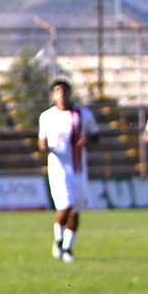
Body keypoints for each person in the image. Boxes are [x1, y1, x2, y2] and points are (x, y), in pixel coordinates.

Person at [37, 78, 99, 262]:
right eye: (57, 90)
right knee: (65, 206)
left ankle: (67, 247)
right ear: (53, 94)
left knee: (76, 210)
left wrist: (88, 140)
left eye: (64, 90)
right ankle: (58, 239)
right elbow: (42, 141)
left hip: (79, 168)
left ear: (70, 93)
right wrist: (43, 146)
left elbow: (95, 134)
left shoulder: (83, 114)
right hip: (58, 168)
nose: (61, 93)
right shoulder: (47, 116)